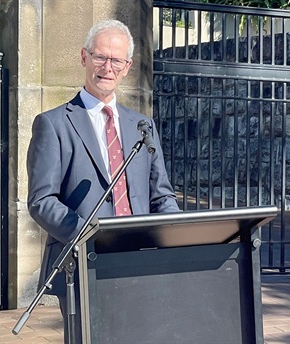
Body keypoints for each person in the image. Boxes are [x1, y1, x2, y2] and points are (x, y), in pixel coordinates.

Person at [27, 19, 180, 343]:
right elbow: (42, 200)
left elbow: (161, 194)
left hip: (140, 256)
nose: (107, 67)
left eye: (116, 61)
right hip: (83, 260)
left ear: (127, 68)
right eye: (100, 57)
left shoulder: (142, 125)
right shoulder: (53, 124)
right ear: (84, 57)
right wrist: (88, 235)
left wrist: (174, 238)